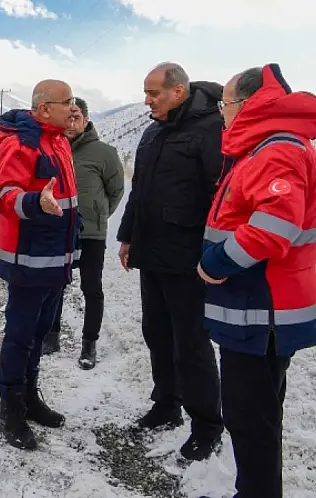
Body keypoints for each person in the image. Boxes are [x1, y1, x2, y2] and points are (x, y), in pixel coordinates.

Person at [198, 63, 316, 498]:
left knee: (250, 419)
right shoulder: (264, 147)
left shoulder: (276, 150)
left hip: (260, 309)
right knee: (257, 415)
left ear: (249, 104)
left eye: (225, 104)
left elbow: (272, 230)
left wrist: (215, 263)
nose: (222, 113)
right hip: (257, 306)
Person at [115, 62, 224, 461]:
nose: (147, 100)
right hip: (152, 254)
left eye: (154, 93)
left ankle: (207, 425)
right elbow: (139, 190)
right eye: (146, 92)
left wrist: (214, 254)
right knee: (157, 334)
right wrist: (128, 235)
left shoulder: (211, 130)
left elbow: (221, 197)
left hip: (188, 260)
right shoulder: (153, 131)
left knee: (191, 344)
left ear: (178, 91)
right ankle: (166, 405)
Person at [0, 80, 80, 450]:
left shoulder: (58, 141)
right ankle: (9, 410)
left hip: (56, 261)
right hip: (29, 262)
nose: (73, 108)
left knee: (40, 334)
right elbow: (5, 195)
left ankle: (29, 397)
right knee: (20, 336)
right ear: (44, 108)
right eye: (67, 102)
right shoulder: (20, 143)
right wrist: (33, 202)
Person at [42, 97, 125, 369]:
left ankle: (89, 344)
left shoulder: (104, 152)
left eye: (76, 117)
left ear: (86, 120)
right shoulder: (52, 149)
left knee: (91, 287)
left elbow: (116, 191)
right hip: (59, 230)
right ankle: (50, 336)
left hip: (91, 233)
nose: (71, 122)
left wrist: (98, 214)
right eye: (67, 116)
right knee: (55, 285)